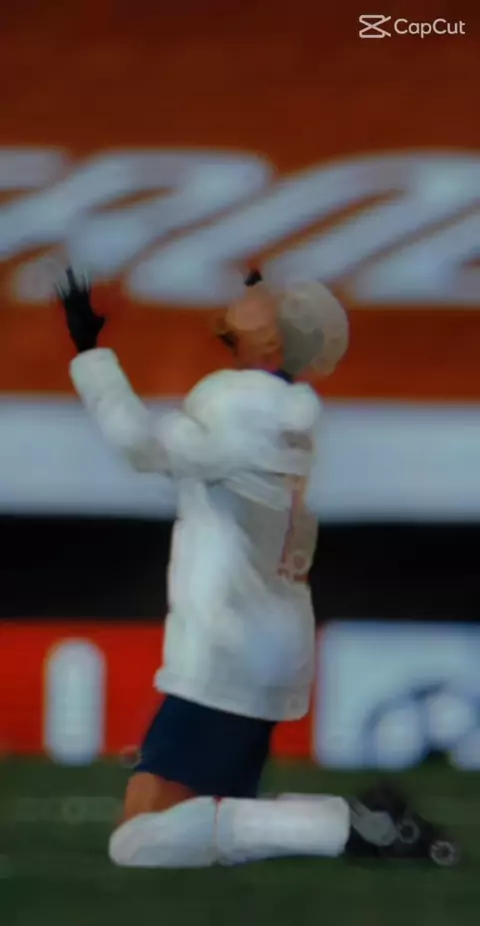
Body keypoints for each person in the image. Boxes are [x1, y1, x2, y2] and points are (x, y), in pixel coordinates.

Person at [56, 267, 458, 869]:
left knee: (138, 841)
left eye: (265, 299)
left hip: (227, 646)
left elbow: (141, 446)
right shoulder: (287, 411)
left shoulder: (237, 402)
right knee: (207, 822)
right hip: (268, 641)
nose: (248, 291)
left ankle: (347, 825)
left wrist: (90, 353)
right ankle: (360, 822)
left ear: (272, 342)